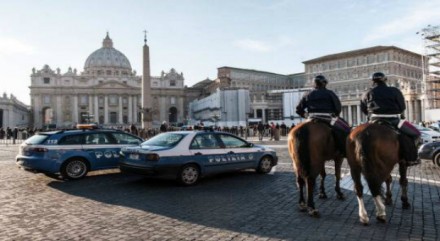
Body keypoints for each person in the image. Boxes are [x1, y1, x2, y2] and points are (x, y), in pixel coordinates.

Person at [360, 72, 421, 166]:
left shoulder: (367, 92)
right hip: (393, 120)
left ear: (372, 81)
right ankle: (411, 158)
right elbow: (402, 107)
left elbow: (363, 109)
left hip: (373, 120)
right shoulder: (394, 90)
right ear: (385, 80)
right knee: (416, 134)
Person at [296, 75, 350, 155]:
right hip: (328, 117)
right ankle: (343, 151)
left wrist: (306, 116)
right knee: (346, 129)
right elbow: (338, 108)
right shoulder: (330, 93)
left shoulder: (307, 94)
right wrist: (335, 115)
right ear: (324, 84)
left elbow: (298, 109)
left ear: (314, 84)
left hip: (311, 117)